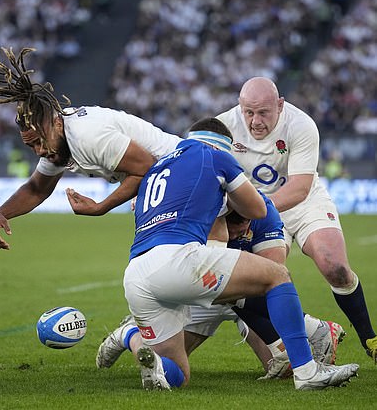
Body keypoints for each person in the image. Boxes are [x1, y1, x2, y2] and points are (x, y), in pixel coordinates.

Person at [120, 117, 358, 391]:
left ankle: (149, 358)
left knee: (179, 374)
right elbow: (258, 209)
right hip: (177, 259)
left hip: (136, 273)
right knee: (277, 275)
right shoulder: (215, 156)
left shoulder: (158, 166)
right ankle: (307, 371)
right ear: (224, 146)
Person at [97, 191, 346, 381]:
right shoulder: (198, 213)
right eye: (236, 227)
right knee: (168, 367)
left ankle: (315, 329)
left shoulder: (264, 211)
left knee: (283, 369)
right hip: (198, 293)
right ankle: (128, 334)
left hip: (243, 301)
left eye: (248, 225)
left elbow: (273, 279)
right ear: (220, 218)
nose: (243, 232)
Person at [216, 76, 377, 362]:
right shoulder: (224, 126)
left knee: (335, 266)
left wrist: (251, 210)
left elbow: (300, 187)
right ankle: (305, 341)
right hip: (253, 210)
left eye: (263, 112)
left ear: (280, 105)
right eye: (248, 112)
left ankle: (370, 339)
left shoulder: (301, 124)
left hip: (299, 202)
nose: (254, 121)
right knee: (260, 283)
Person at [0, 47, 181, 249]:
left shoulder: (87, 135)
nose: (39, 151)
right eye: (31, 145)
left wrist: (101, 207)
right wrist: (0, 213)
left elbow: (146, 166)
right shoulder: (56, 143)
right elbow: (37, 189)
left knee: (152, 272)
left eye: (40, 141)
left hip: (181, 167)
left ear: (57, 123)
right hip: (170, 175)